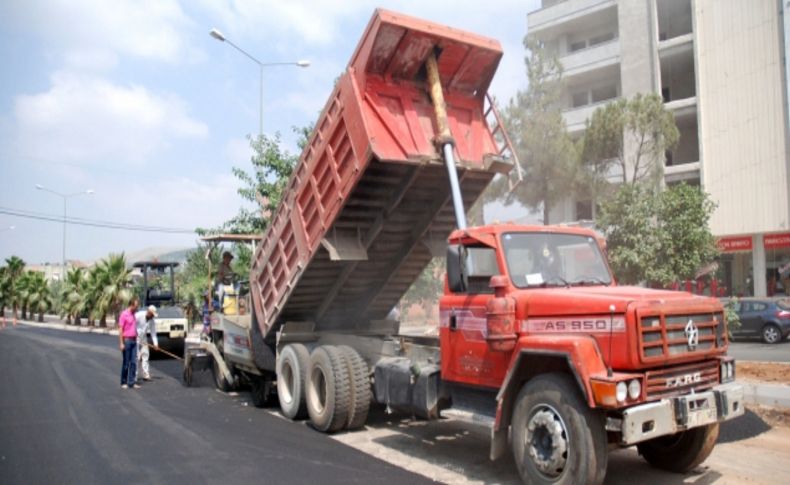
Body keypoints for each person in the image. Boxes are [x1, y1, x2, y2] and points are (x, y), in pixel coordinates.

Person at [118, 298, 141, 389]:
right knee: (126, 363)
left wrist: (136, 335)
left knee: (134, 362)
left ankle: (131, 382)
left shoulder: (134, 314)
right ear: (131, 305)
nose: (136, 308)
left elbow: (133, 327)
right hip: (126, 341)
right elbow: (120, 329)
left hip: (134, 341)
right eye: (135, 306)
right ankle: (123, 381)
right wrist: (121, 343)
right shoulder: (124, 314)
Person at [135, 305, 160, 382]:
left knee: (145, 354)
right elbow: (131, 325)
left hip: (143, 338)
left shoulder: (151, 321)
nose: (152, 316)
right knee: (137, 357)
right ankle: (134, 375)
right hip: (135, 337)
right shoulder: (138, 315)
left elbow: (153, 333)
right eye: (152, 314)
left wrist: (156, 344)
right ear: (148, 312)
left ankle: (146, 374)